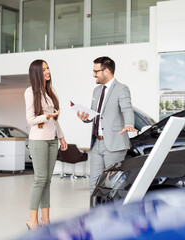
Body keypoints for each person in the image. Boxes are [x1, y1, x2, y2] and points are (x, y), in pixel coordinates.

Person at [77, 56, 137, 194]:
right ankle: (95, 214)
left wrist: (129, 123)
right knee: (94, 184)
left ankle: (112, 214)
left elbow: (127, 108)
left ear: (107, 71)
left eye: (96, 71)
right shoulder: (97, 91)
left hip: (114, 144)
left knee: (112, 184)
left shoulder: (122, 89)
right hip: (97, 143)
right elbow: (95, 115)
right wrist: (85, 118)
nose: (93, 74)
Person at [24, 59, 68, 230]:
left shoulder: (51, 91)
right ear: (36, 73)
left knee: (47, 181)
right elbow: (30, 120)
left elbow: (55, 119)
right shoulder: (30, 92)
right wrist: (46, 117)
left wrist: (62, 137)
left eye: (48, 68)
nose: (48, 71)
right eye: (43, 70)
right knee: (39, 179)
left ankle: (46, 220)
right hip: (38, 139)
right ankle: (32, 220)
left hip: (52, 139)